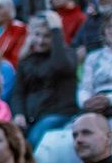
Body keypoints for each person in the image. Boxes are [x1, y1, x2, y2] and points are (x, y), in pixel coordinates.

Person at [10, 12, 79, 147]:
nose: (41, 41)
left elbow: (61, 66)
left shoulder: (67, 55)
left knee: (34, 139)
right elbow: (18, 92)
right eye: (37, 35)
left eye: (47, 36)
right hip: (31, 118)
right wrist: (19, 114)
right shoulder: (27, 61)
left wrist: (56, 30)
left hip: (59, 114)